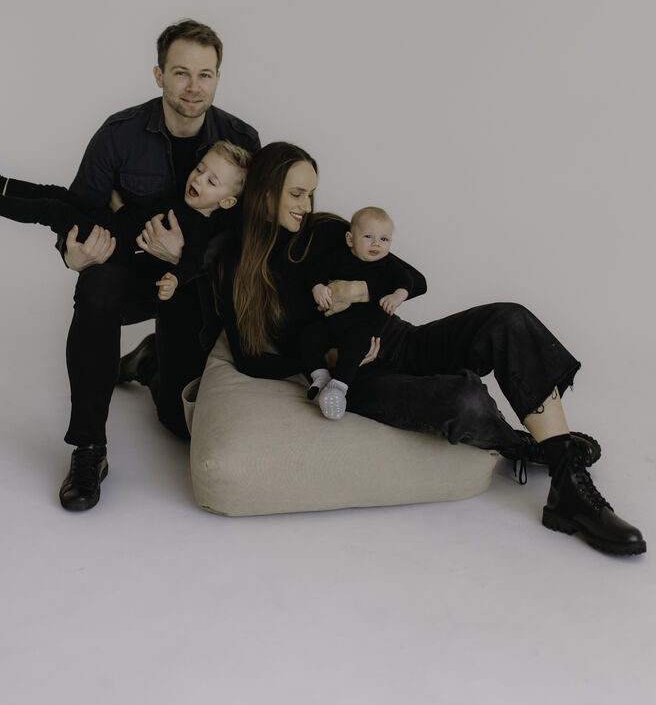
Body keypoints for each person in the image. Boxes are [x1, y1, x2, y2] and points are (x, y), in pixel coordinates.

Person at [212, 141, 646, 557]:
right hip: (356, 378)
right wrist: (321, 362)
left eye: (310, 193)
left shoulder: (325, 232)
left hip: (402, 340)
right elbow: (250, 359)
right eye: (296, 194)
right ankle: (522, 445)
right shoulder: (236, 264)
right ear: (265, 191)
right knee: (465, 399)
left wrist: (359, 290)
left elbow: (405, 276)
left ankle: (567, 481)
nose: (306, 205)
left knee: (509, 319)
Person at [0, 19, 258, 512]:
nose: (193, 87)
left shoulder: (242, 140)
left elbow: (245, 237)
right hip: (128, 269)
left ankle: (147, 362)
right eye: (181, 73)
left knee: (177, 424)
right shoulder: (119, 134)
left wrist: (181, 258)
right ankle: (89, 448)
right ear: (159, 74)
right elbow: (79, 209)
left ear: (218, 77)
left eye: (205, 74)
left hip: (189, 282)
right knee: (95, 288)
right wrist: (72, 254)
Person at [0, 140, 251, 298]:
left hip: (114, 244)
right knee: (59, 194)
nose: (198, 179)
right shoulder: (181, 199)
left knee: (53, 210)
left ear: (226, 201)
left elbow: (193, 260)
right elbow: (145, 211)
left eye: (211, 181)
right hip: (111, 221)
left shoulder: (201, 228)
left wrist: (174, 279)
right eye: (200, 169)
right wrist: (121, 208)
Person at [300, 206, 420, 419]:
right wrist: (317, 287)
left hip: (363, 327)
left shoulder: (389, 265)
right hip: (331, 323)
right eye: (368, 236)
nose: (377, 244)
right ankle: (320, 376)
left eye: (384, 239)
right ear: (350, 239)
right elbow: (315, 271)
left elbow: (408, 280)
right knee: (309, 334)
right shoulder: (339, 257)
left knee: (357, 345)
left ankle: (338, 388)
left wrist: (398, 295)